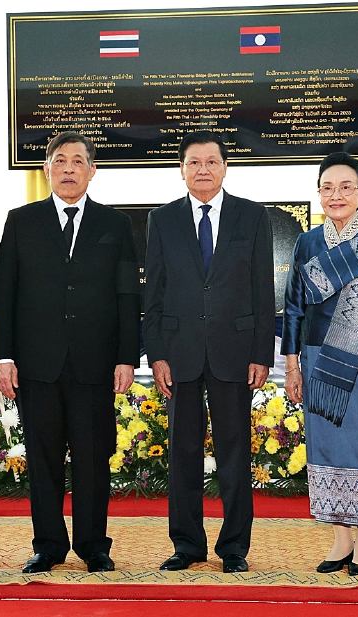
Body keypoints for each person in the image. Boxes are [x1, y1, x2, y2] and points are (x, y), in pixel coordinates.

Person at [0, 131, 141, 574]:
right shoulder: (21, 221)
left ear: (92, 170)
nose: (69, 168)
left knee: (94, 457)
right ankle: (48, 546)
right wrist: (3, 356)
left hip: (95, 363)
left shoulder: (115, 225)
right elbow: (6, 293)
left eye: (78, 160)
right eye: (60, 160)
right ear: (47, 170)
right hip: (37, 363)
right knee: (42, 458)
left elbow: (127, 295)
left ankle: (94, 545)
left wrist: (126, 357)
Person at [143, 130, 275, 574]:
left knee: (235, 451)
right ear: (181, 169)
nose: (203, 169)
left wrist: (262, 353)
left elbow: (263, 290)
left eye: (211, 162)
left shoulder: (252, 216)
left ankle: (234, 546)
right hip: (179, 352)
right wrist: (156, 354)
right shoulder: (161, 220)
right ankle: (187, 544)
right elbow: (153, 291)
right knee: (182, 452)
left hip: (235, 351)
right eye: (194, 162)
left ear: (224, 167)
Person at [281, 151, 358, 576]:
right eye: (327, 188)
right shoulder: (307, 243)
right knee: (328, 445)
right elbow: (294, 308)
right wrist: (293, 366)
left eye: (346, 187)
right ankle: (340, 540)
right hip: (319, 360)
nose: (336, 195)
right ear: (319, 194)